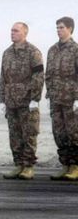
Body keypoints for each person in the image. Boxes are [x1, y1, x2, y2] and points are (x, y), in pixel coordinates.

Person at [0, 22, 44, 180]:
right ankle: (18, 165)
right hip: (11, 101)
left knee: (29, 134)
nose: (12, 33)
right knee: (14, 135)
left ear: (25, 33)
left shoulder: (33, 52)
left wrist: (35, 98)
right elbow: (3, 77)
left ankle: (28, 166)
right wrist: (2, 99)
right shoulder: (7, 53)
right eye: (11, 30)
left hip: (27, 101)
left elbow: (38, 76)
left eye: (16, 31)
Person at [45, 16, 78, 180]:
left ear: (70, 29)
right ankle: (65, 165)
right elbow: (48, 74)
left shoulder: (75, 49)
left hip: (71, 99)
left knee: (74, 133)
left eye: (62, 27)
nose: (58, 30)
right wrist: (49, 93)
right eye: (57, 27)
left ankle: (75, 166)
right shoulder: (52, 50)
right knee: (59, 133)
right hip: (56, 99)